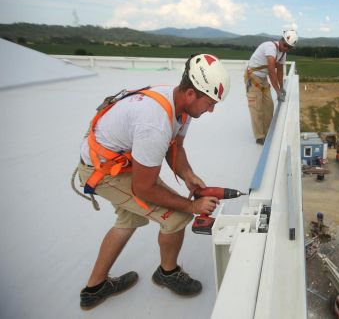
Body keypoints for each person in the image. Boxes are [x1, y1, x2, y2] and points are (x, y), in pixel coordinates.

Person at [75, 54, 230, 310]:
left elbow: (175, 145)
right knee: (177, 218)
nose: (211, 109)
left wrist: (188, 175)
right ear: (191, 94)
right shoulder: (154, 122)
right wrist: (191, 206)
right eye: (210, 103)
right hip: (105, 174)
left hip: (122, 165)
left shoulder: (178, 103)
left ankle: (94, 288)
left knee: (129, 219)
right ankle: (167, 273)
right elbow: (143, 187)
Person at [245, 29, 298, 145]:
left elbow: (279, 71)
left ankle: (268, 132)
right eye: (285, 45)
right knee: (256, 108)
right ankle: (259, 137)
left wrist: (282, 86)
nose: (286, 49)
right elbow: (271, 70)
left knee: (269, 106)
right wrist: (278, 91)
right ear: (281, 40)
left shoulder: (283, 53)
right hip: (252, 78)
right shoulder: (270, 47)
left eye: (289, 48)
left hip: (263, 79)